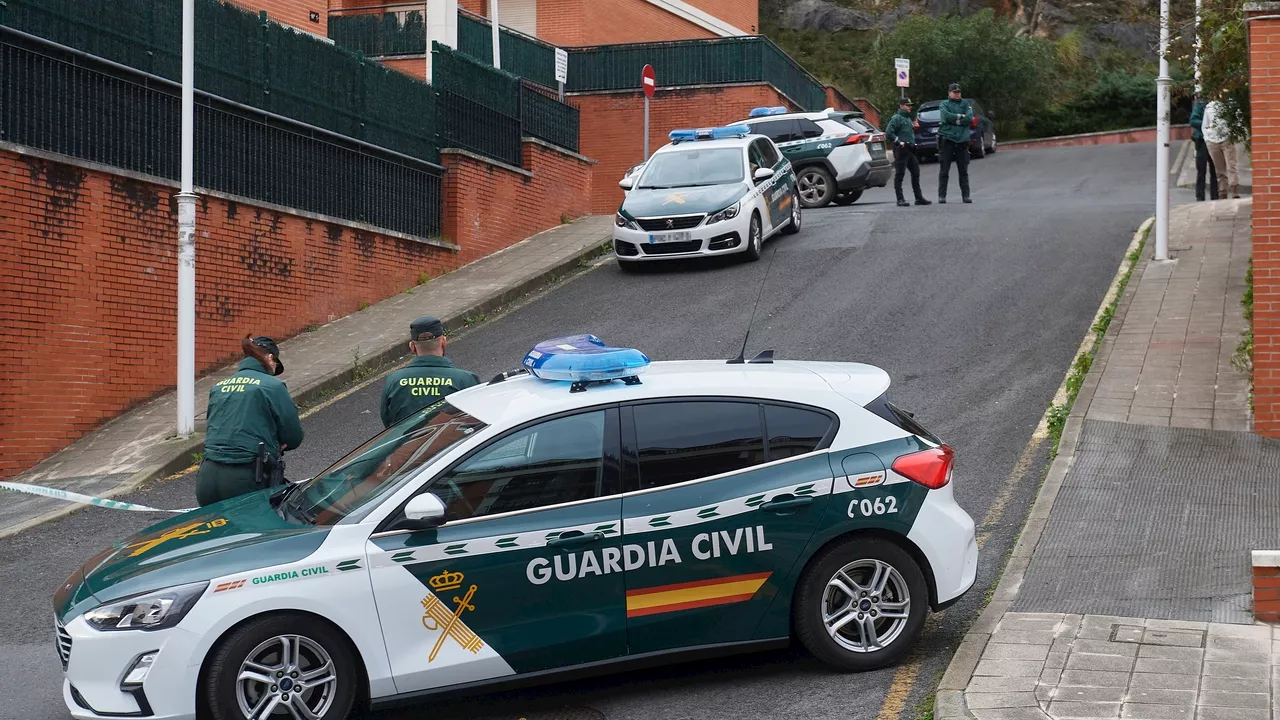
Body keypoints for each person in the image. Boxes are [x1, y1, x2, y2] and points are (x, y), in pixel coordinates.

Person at [197, 335, 304, 506]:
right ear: (270, 358)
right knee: (254, 531)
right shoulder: (272, 386)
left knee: (217, 530)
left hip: (207, 477)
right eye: (275, 363)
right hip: (246, 478)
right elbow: (293, 436)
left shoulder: (218, 387)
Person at [380, 316, 480, 428]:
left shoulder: (394, 381)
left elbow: (387, 424)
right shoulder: (466, 380)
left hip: (406, 445)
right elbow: (479, 421)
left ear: (412, 347)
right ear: (443, 342)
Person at [885, 96, 932, 208]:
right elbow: (888, 132)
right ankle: (900, 199)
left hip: (910, 149)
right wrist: (898, 141)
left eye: (910, 105)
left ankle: (918, 197)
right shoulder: (897, 118)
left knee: (915, 172)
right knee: (900, 175)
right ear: (901, 106)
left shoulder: (907, 118)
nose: (910, 107)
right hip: (902, 149)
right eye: (907, 105)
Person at [937, 83, 974, 204]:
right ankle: (942, 195)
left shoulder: (965, 104)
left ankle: (966, 195)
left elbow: (968, 118)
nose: (957, 94)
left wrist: (955, 121)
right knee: (944, 170)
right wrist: (960, 117)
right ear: (949, 93)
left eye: (958, 92)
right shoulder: (944, 104)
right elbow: (945, 117)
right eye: (954, 92)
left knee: (963, 170)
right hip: (948, 139)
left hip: (962, 140)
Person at [1202, 99, 1238, 199]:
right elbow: (1204, 125)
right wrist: (1207, 139)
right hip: (1213, 141)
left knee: (1231, 166)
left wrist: (1233, 134)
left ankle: (1234, 191)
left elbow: (1237, 121)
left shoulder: (1230, 104)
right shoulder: (1209, 106)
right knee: (1219, 170)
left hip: (1227, 139)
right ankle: (1223, 193)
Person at [1189, 97, 1219, 201]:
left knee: (1215, 170)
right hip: (1202, 141)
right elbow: (1193, 120)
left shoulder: (1218, 105)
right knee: (1201, 170)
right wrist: (1206, 124)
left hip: (1214, 140)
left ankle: (1215, 196)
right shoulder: (1200, 105)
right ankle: (1200, 197)